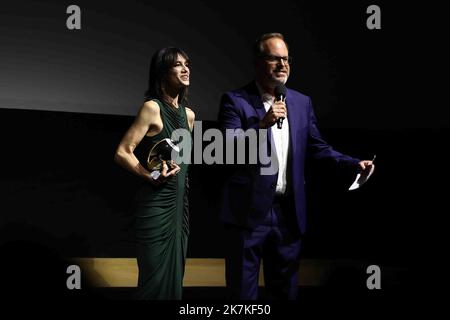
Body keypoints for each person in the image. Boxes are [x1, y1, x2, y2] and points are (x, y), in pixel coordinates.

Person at [218, 33, 374, 300]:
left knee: (285, 292)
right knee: (242, 295)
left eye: (286, 59)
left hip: (288, 214)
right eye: (275, 59)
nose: (283, 64)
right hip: (248, 213)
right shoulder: (235, 100)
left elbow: (317, 147)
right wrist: (261, 125)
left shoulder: (302, 102)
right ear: (257, 63)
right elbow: (225, 148)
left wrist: (352, 163)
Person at [114, 47, 195, 299]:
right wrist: (149, 175)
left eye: (187, 64)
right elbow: (122, 152)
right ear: (162, 72)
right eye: (177, 65)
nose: (185, 69)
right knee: (153, 281)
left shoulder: (190, 116)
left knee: (175, 281)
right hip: (156, 208)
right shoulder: (152, 108)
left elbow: (182, 163)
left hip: (179, 208)